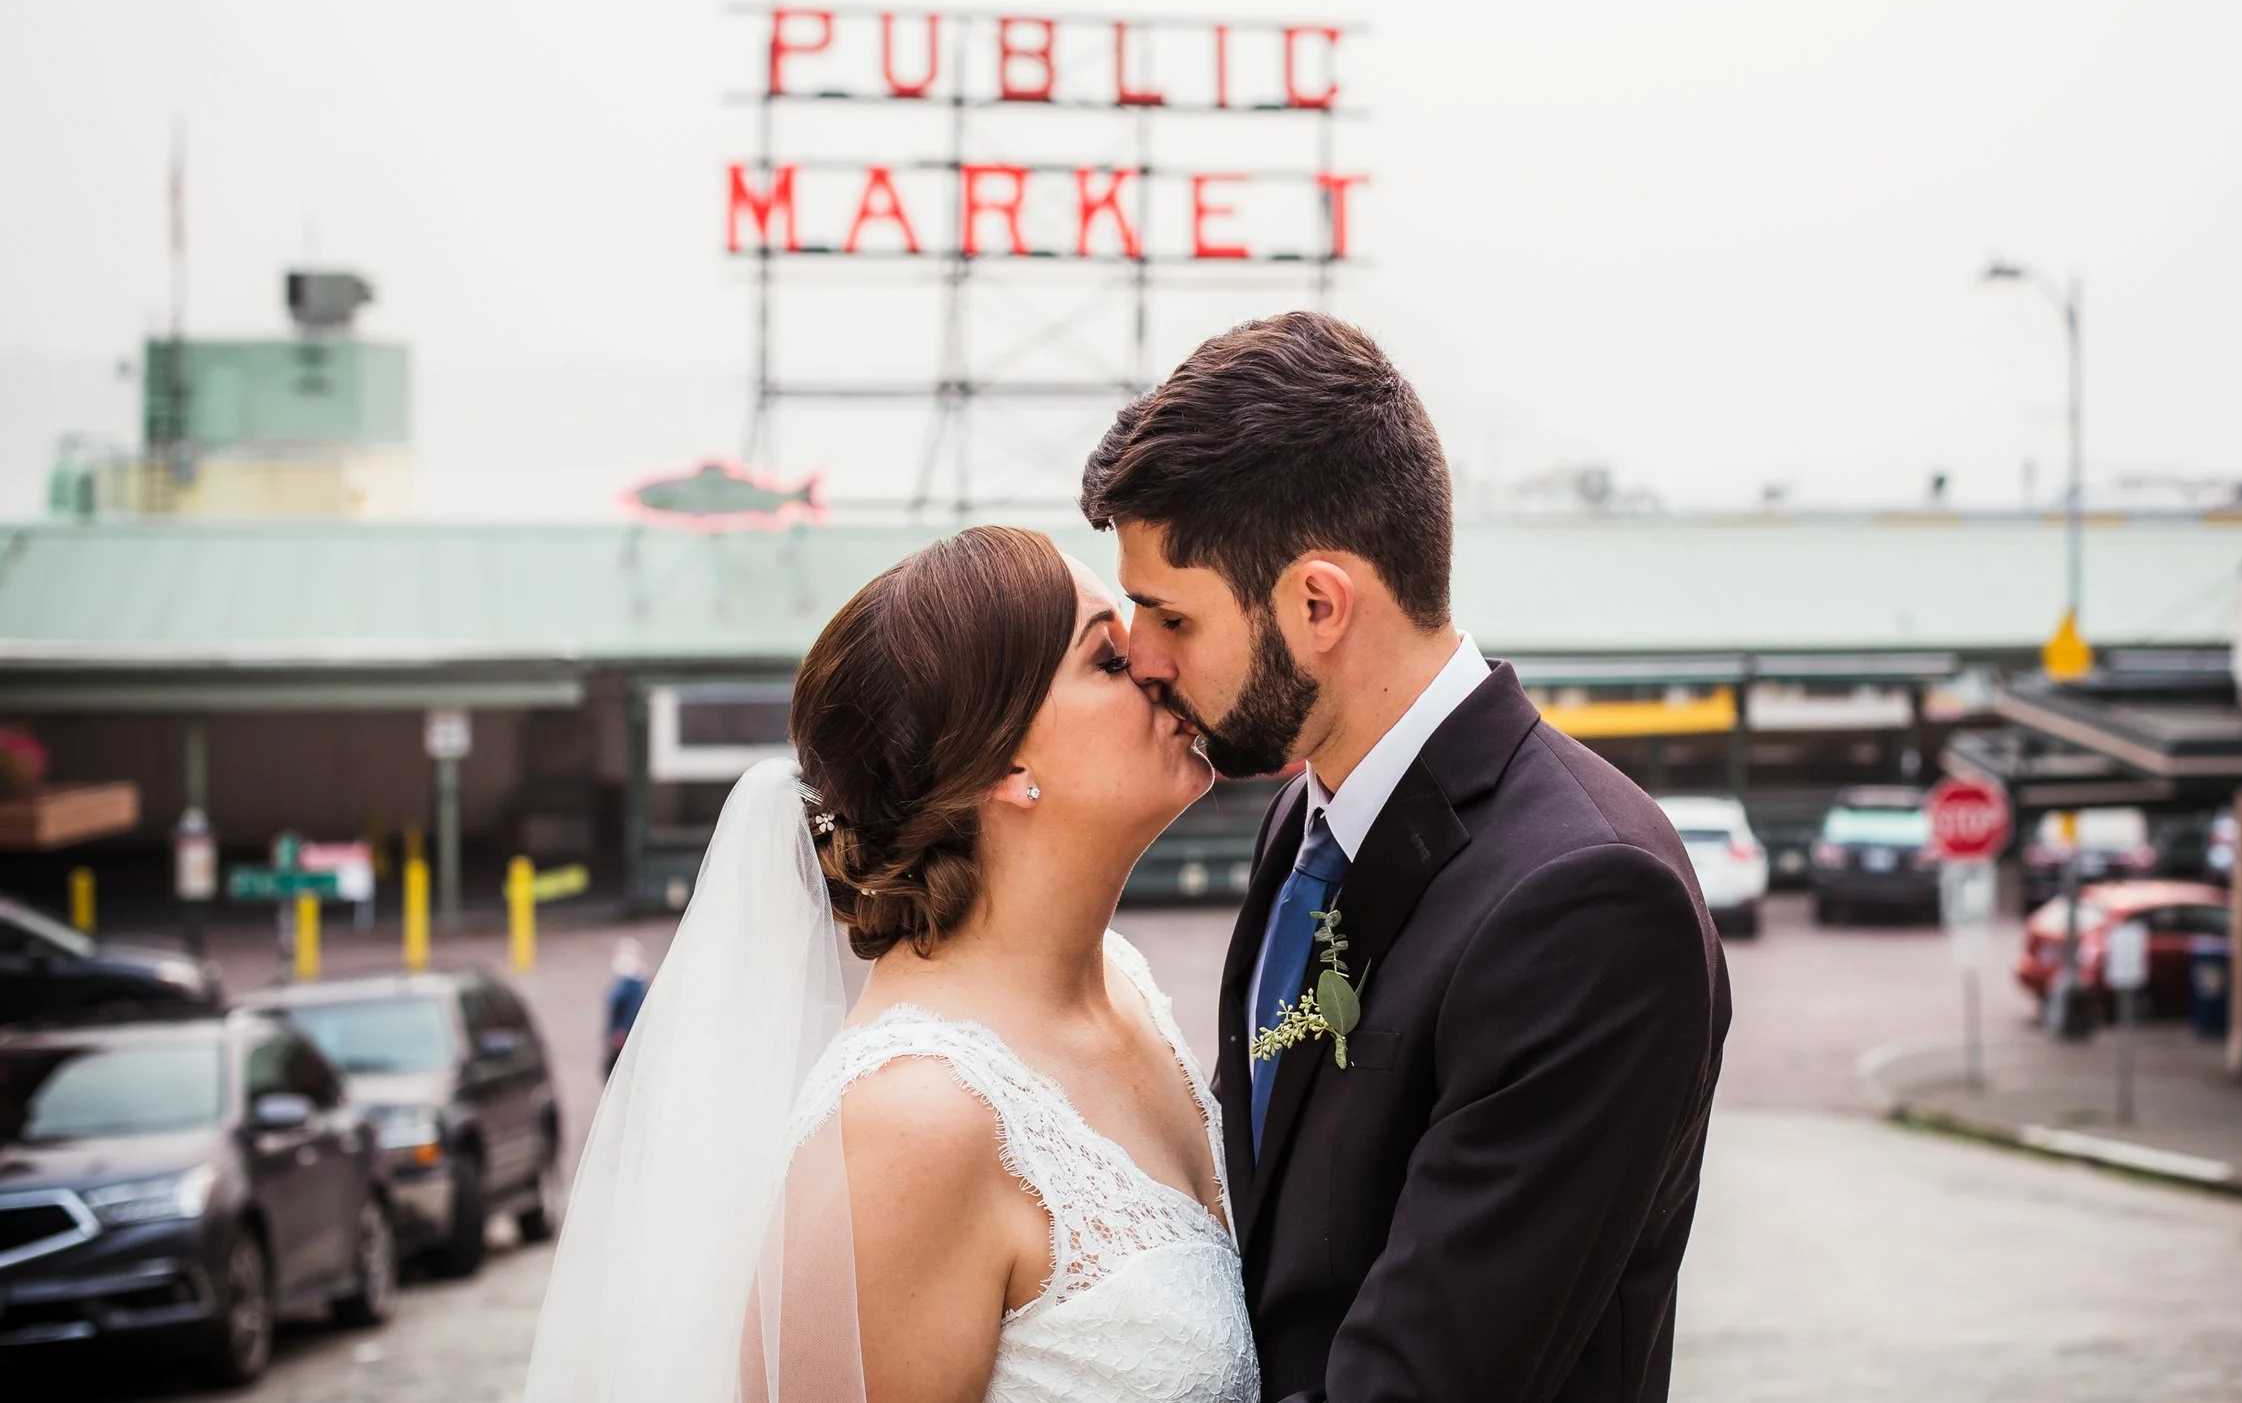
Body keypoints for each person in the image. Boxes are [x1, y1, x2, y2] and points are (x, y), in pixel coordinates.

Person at [1080, 310, 1730, 1403]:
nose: (1140, 657)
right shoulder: (1305, 824)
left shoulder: (1586, 901)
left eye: (1171, 616)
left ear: (1319, 603)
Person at [524, 525, 1253, 1403]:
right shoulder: (911, 1121)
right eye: (1107, 659)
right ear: (1003, 760)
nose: (1159, 668)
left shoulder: (1126, 984)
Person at [602, 938, 648, 1078]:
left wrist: (621, 1031)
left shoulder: (632, 986)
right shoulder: (628, 984)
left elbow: (631, 1010)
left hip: (623, 1035)